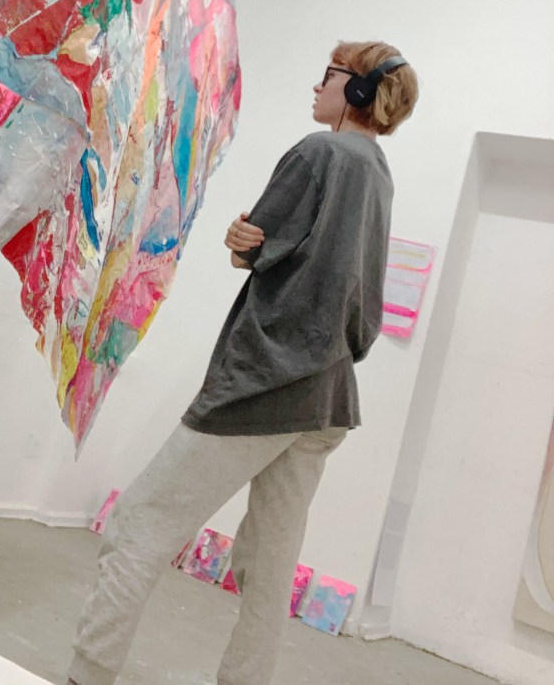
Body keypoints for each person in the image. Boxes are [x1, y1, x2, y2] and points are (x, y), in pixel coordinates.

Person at [66, 40, 419, 685]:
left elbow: (252, 250)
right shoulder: (376, 168)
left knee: (138, 525)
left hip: (266, 382)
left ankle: (86, 674)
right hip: (328, 396)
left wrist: (240, 246)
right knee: (269, 563)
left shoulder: (319, 153)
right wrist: (249, 244)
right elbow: (324, 271)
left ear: (359, 91)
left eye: (329, 75)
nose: (317, 86)